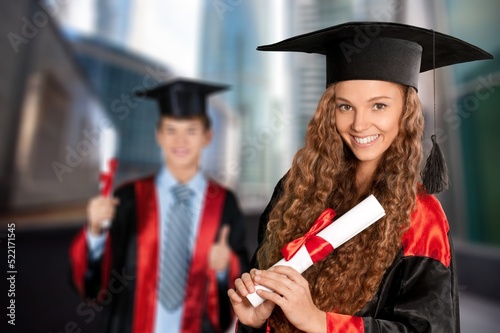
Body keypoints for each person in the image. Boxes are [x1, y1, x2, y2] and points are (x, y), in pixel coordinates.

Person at [228, 22, 493, 332]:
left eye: (378, 105)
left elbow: (429, 328)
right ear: (330, 111)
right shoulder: (294, 191)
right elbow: (260, 309)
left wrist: (320, 322)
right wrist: (256, 320)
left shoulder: (421, 218)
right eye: (345, 106)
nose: (359, 123)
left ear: (405, 112)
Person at [69, 78, 249, 333]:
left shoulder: (224, 203)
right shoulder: (129, 198)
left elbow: (243, 272)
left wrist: (225, 269)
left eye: (191, 131)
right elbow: (97, 284)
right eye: (171, 130)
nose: (181, 141)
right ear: (159, 135)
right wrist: (96, 232)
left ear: (207, 136)